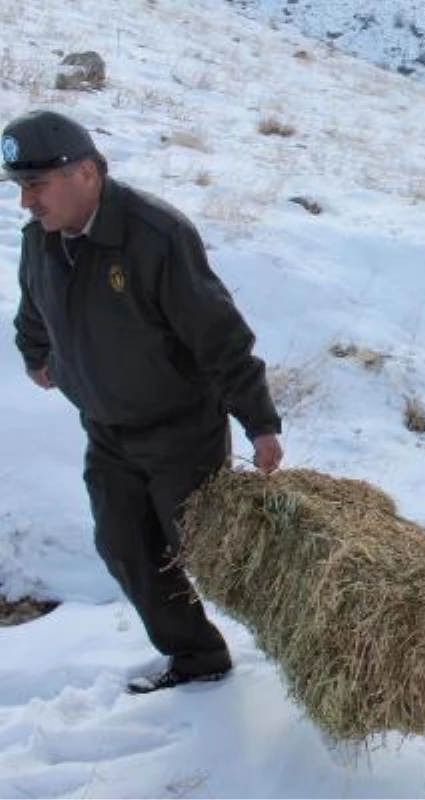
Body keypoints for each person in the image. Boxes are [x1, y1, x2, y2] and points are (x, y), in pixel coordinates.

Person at [5, 109, 283, 693]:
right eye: (20, 187)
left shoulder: (155, 236)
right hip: (106, 431)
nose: (27, 201)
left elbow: (220, 336)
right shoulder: (42, 242)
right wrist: (37, 357)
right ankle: (197, 659)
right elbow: (34, 312)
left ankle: (305, 643)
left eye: (36, 185)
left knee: (208, 554)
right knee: (126, 546)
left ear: (84, 171)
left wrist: (259, 423)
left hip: (180, 429)